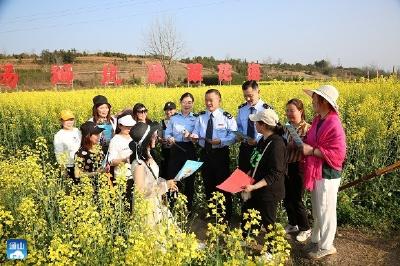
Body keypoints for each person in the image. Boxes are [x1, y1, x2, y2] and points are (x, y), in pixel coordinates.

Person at [301, 85, 346, 259]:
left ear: (324, 102)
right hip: (317, 171)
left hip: (328, 173)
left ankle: (327, 246)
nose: (312, 100)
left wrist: (311, 151)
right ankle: (316, 240)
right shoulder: (319, 119)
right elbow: (313, 140)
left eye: (315, 98)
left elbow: (338, 153)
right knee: (318, 208)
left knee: (326, 210)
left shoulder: (333, 123)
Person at [191, 88, 237, 220]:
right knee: (208, 184)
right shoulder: (201, 117)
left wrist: (221, 141)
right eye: (206, 100)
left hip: (220, 154)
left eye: (211, 100)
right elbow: (196, 131)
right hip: (205, 153)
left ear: (219, 100)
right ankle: (212, 213)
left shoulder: (226, 117)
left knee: (223, 184)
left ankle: (225, 215)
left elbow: (233, 136)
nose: (208, 103)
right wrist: (194, 136)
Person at [241, 109, 287, 234]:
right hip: (256, 187)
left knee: (268, 221)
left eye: (257, 122)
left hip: (269, 191)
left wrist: (253, 186)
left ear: (264, 125)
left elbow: (275, 173)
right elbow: (256, 162)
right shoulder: (263, 139)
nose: (254, 124)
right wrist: (248, 176)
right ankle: (248, 238)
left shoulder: (277, 144)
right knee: (250, 213)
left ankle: (271, 250)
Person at [129, 122, 178, 225]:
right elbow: (140, 192)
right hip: (147, 207)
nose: (157, 137)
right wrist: (165, 185)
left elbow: (152, 179)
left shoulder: (148, 156)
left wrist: (167, 183)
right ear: (147, 139)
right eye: (154, 135)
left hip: (155, 201)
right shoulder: (139, 165)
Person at [283, 99, 312, 242]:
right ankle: (292, 223)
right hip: (286, 166)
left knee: (297, 198)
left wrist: (296, 145)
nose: (289, 113)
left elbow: (309, 148)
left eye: (292, 110)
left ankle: (305, 228)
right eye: (287, 110)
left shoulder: (308, 128)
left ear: (300, 111)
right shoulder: (286, 127)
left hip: (299, 166)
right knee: (287, 197)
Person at [165, 93, 197, 212]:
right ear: (180, 103)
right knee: (173, 179)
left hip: (189, 149)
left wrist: (191, 136)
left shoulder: (196, 118)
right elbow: (167, 133)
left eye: (189, 102)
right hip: (175, 149)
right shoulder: (174, 118)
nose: (187, 105)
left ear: (192, 104)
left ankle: (188, 209)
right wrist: (170, 138)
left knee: (189, 181)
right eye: (184, 102)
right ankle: (172, 207)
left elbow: (198, 135)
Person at [237, 80, 273, 173]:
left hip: (260, 149)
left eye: (250, 95)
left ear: (258, 92)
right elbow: (239, 126)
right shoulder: (242, 109)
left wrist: (257, 141)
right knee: (242, 176)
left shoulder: (266, 110)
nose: (248, 99)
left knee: (257, 175)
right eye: (245, 96)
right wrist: (239, 135)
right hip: (244, 148)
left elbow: (272, 132)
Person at [108, 112, 136, 211]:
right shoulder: (115, 140)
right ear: (120, 126)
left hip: (135, 176)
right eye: (126, 126)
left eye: (131, 126)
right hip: (122, 178)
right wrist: (125, 159)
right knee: (125, 206)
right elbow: (111, 161)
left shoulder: (134, 137)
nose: (129, 129)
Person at [74, 121, 106, 195]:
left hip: (102, 186)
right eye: (95, 134)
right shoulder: (81, 153)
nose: (98, 136)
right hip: (88, 188)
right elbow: (77, 174)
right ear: (87, 136)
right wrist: (95, 173)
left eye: (98, 134)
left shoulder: (99, 148)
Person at [54, 110, 81, 184]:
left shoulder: (77, 131)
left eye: (71, 120)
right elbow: (58, 153)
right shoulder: (59, 135)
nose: (69, 122)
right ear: (61, 121)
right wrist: (63, 169)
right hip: (69, 165)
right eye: (66, 120)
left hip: (80, 164)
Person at [160, 101, 177, 180]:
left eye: (171, 109)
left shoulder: (179, 121)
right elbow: (159, 137)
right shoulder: (162, 123)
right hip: (166, 151)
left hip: (176, 150)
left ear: (175, 110)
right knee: (166, 171)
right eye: (166, 110)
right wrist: (160, 140)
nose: (168, 111)